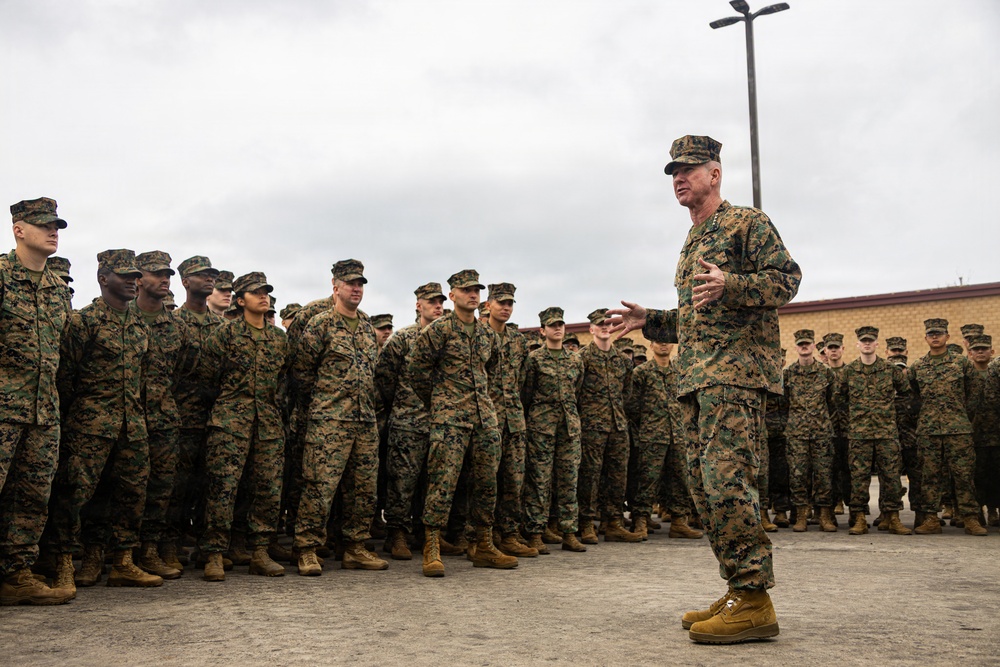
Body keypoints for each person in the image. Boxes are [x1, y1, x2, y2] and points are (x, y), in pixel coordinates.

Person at [606, 135, 800, 644]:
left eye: (690, 169)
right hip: (697, 380)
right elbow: (697, 320)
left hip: (734, 379)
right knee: (703, 486)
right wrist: (652, 319)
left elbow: (786, 280)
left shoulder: (745, 223)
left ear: (715, 173)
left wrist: (732, 284)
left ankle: (755, 598)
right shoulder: (694, 240)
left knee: (727, 482)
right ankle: (739, 588)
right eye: (674, 171)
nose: (679, 178)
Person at [51, 249, 162, 589]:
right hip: (91, 425)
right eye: (125, 276)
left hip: (133, 426)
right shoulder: (83, 322)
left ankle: (123, 561)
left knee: (131, 493)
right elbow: (65, 377)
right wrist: (82, 415)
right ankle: (67, 563)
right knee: (77, 495)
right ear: (103, 279)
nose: (133, 282)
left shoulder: (140, 326)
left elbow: (143, 378)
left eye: (135, 277)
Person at [407, 269, 516, 577]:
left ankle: (482, 544)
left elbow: (491, 372)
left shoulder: (486, 335)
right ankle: (432, 547)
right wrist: (439, 402)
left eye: (476, 290)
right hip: (450, 420)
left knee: (485, 482)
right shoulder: (439, 331)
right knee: (442, 482)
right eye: (466, 289)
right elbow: (416, 371)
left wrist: (483, 403)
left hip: (484, 419)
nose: (473, 294)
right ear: (452, 295)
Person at [0, 197, 75, 606]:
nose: (53, 231)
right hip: (3, 408)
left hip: (44, 411)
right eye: (44, 224)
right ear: (19, 229)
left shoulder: (56, 290)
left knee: (31, 497)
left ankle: (16, 574)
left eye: (57, 225)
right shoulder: (0, 275)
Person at [292, 260, 387, 576]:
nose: (356, 289)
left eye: (360, 284)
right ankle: (307, 549)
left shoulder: (365, 325)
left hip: (364, 421)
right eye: (350, 284)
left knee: (363, 489)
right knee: (319, 486)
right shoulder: (320, 324)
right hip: (330, 420)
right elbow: (302, 373)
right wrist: (324, 405)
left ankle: (355, 548)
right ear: (335, 287)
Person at [198, 272, 290, 581]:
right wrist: (228, 408)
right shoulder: (225, 335)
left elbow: (282, 382)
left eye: (266, 292)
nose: (263, 296)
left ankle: (260, 552)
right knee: (222, 489)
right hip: (229, 423)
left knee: (267, 490)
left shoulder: (278, 339)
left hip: (267, 425)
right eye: (256, 293)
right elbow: (208, 380)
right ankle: (214, 553)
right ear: (241, 300)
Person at [375, 282, 447, 560]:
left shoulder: (446, 337)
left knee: (433, 482)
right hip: (408, 421)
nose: (437, 306)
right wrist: (404, 406)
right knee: (402, 482)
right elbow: (384, 378)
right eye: (431, 301)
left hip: (440, 421)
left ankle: (426, 534)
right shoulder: (403, 339)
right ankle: (397, 535)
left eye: (440, 301)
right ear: (419, 305)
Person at [130, 251, 188, 579]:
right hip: (124, 416)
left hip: (164, 419)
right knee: (121, 487)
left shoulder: (174, 327)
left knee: (161, 488)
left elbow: (178, 374)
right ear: (138, 279)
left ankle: (149, 550)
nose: (164, 279)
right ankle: (101, 552)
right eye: (156, 273)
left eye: (167, 273)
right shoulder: (120, 318)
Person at [165, 256, 223, 570]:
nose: (209, 279)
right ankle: (170, 544)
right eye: (202, 275)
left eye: (212, 274)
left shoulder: (221, 327)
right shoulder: (173, 322)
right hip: (181, 419)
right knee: (178, 486)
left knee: (211, 486)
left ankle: (207, 547)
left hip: (215, 420)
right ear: (186, 282)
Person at [909, 319, 986, 536]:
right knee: (930, 475)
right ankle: (931, 518)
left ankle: (970, 518)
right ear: (925, 338)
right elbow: (913, 397)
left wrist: (961, 415)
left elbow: (975, 393)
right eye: (931, 334)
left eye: (940, 333)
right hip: (929, 431)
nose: (935, 337)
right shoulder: (918, 366)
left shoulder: (962, 363)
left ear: (947, 337)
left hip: (958, 429)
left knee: (963, 474)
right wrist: (924, 416)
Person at [521, 307, 586, 554]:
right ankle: (536, 532)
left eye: (560, 324)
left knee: (569, 479)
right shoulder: (534, 359)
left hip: (569, 427)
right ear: (542, 331)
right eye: (552, 326)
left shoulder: (575, 360)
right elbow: (526, 392)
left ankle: (568, 531)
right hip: (541, 426)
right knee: (539, 480)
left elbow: (576, 391)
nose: (557, 329)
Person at [577, 309, 641, 544]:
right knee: (590, 476)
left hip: (617, 426)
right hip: (591, 426)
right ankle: (585, 523)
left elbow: (627, 392)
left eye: (608, 324)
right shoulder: (582, 359)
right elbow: (576, 391)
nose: (604, 328)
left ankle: (613, 521)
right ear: (591, 329)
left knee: (617, 475)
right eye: (599, 325)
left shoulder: (623, 361)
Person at [840, 326, 911, 535]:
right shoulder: (849, 371)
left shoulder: (890, 370)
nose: (867, 344)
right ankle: (859, 518)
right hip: (859, 434)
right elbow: (838, 398)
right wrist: (852, 421)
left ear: (877, 344)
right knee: (859, 477)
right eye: (864, 341)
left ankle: (893, 517)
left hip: (886, 433)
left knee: (891, 476)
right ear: (858, 345)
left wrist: (893, 417)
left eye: (871, 341)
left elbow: (906, 394)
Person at [484, 283, 537, 558]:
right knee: (485, 481)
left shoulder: (519, 341)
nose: (506, 307)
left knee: (514, 481)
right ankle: (484, 535)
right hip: (487, 419)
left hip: (514, 420)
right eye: (501, 302)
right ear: (488, 305)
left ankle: (509, 534)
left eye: (510, 303)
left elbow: (524, 381)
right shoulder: (480, 336)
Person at [783, 329, 838, 533]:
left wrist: (823, 422)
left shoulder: (826, 373)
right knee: (798, 476)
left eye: (808, 344)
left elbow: (834, 402)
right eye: (800, 344)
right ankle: (801, 515)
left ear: (815, 346)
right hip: (796, 434)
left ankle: (824, 515)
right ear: (796, 347)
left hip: (822, 433)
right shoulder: (787, 374)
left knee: (823, 475)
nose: (804, 347)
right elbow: (783, 402)